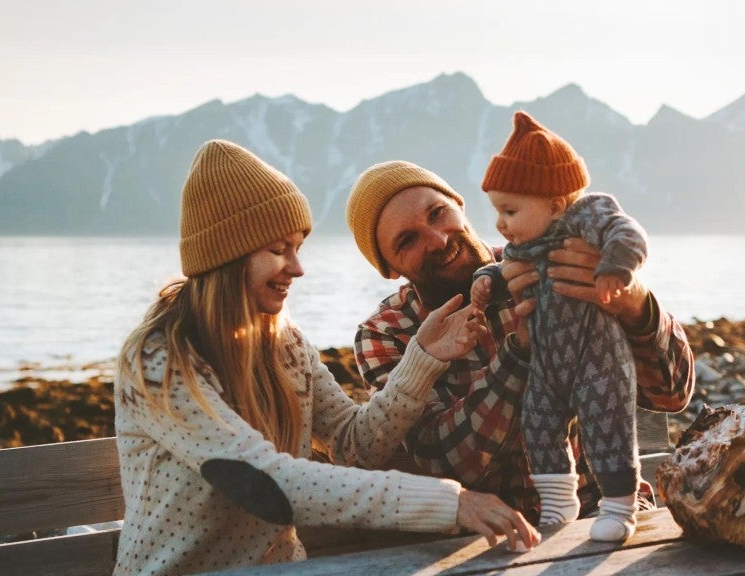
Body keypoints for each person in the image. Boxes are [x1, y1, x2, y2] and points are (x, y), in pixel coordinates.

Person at [113, 139, 539, 576]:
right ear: (228, 254)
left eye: (298, 247)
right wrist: (451, 502)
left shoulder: (284, 344)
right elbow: (261, 478)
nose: (297, 268)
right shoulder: (160, 359)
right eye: (279, 250)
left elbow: (356, 446)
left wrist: (423, 357)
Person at [345, 140, 694, 537]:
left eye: (438, 213)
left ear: (460, 205)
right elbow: (445, 461)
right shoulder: (386, 333)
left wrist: (632, 302)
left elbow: (673, 395)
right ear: (389, 268)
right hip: (490, 538)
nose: (439, 240)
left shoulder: (562, 258)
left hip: (609, 513)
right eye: (408, 240)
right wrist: (519, 353)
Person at [469, 111, 648, 541]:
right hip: (548, 365)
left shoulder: (585, 217)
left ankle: (620, 507)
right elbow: (502, 269)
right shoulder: (523, 248)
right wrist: (484, 282)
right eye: (497, 211)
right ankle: (557, 501)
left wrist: (616, 269)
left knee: (608, 424)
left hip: (596, 357)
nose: (499, 223)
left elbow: (627, 232)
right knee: (539, 423)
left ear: (554, 204)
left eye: (509, 210)